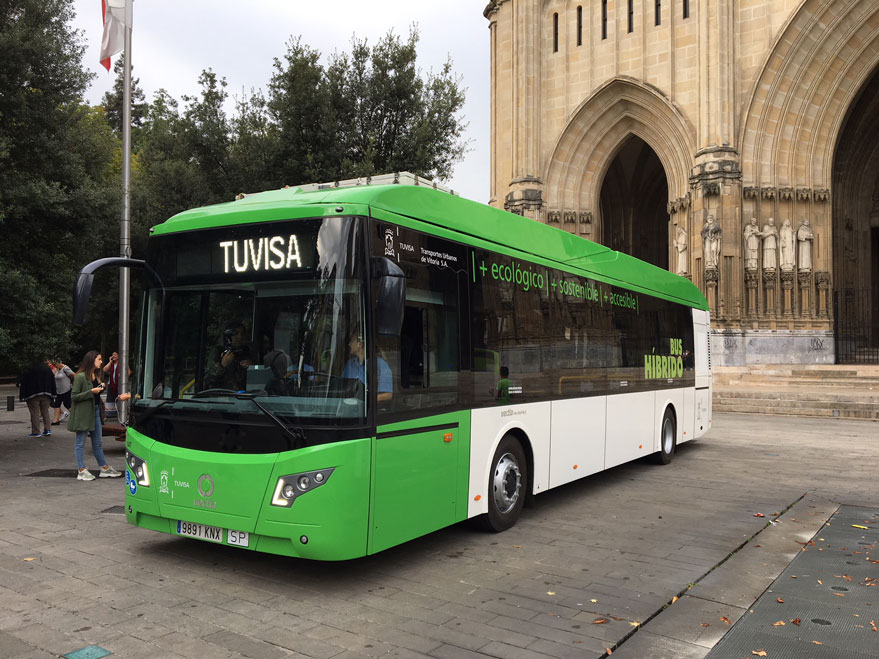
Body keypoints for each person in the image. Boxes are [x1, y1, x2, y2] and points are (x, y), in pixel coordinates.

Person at [68, 351, 128, 481]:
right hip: (83, 414)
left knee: (98, 442)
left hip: (95, 411)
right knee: (80, 442)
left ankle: (104, 468)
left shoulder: (95, 375)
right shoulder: (80, 377)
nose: (101, 361)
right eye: (99, 359)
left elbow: (95, 393)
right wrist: (91, 392)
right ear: (91, 360)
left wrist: (101, 387)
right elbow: (74, 397)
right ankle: (81, 470)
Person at [342, 329, 392, 401]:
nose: (349, 344)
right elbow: (342, 386)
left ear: (361, 344)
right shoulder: (350, 364)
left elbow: (388, 395)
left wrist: (366, 400)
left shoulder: (380, 365)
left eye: (352, 341)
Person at [206, 323, 254, 391]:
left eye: (242, 334)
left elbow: (257, 377)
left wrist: (252, 368)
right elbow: (207, 378)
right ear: (228, 336)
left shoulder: (246, 352)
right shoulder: (218, 351)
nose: (240, 337)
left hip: (244, 397)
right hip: (221, 396)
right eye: (236, 333)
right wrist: (222, 365)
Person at [18, 358, 56, 437]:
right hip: (46, 392)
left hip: (33, 393)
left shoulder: (28, 368)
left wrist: (23, 395)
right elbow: (52, 380)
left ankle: (36, 431)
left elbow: (24, 381)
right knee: (45, 411)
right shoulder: (46, 368)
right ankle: (47, 429)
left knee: (35, 412)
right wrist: (53, 392)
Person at [51, 358, 74, 425]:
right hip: (59, 391)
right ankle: (56, 420)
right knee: (57, 404)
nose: (55, 366)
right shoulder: (57, 369)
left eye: (55, 364)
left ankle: (77, 417)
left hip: (66, 389)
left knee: (67, 404)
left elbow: (74, 375)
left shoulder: (66, 368)